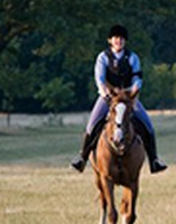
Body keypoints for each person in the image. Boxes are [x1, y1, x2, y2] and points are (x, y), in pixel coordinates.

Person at [70, 24, 168, 174]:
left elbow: (137, 79)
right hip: (107, 98)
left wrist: (133, 91)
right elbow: (100, 79)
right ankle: (82, 158)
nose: (119, 41)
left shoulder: (132, 57)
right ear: (110, 40)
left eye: (121, 38)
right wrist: (106, 93)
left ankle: (154, 160)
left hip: (128, 99)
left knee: (148, 125)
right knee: (91, 125)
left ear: (125, 41)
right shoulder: (103, 57)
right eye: (116, 38)